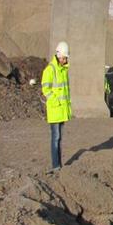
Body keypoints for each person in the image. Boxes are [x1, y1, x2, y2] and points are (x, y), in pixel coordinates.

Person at [41, 41, 71, 171]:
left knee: (59, 139)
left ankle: (59, 164)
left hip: (62, 111)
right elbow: (46, 89)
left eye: (66, 57)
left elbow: (65, 92)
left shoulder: (63, 70)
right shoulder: (50, 70)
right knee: (55, 138)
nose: (65, 59)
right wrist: (56, 102)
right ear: (59, 56)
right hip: (55, 110)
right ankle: (55, 165)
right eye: (64, 57)